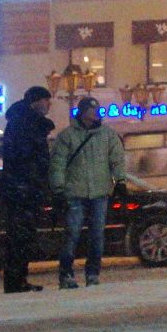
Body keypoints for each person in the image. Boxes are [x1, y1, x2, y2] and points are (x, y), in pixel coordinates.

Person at [50, 96, 126, 289]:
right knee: (72, 234)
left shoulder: (108, 135)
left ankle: (93, 273)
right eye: (91, 110)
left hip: (100, 192)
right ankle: (66, 274)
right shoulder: (67, 136)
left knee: (97, 235)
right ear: (82, 113)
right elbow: (57, 164)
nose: (95, 113)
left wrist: (121, 181)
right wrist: (58, 189)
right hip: (74, 192)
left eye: (96, 110)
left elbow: (117, 159)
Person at [0, 86, 54, 293]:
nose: (49, 105)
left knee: (22, 236)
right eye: (46, 100)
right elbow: (26, 157)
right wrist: (31, 181)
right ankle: (15, 281)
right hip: (22, 190)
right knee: (20, 236)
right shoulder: (25, 124)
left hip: (22, 188)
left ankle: (18, 279)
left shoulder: (21, 122)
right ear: (35, 102)